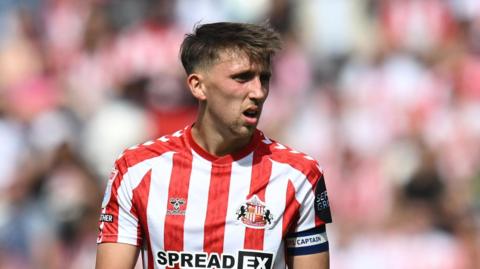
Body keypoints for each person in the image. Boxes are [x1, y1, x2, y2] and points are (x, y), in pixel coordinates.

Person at [95, 22, 332, 269]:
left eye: (264, 78)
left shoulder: (300, 175)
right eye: (242, 78)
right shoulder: (136, 170)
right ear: (198, 86)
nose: (258, 92)